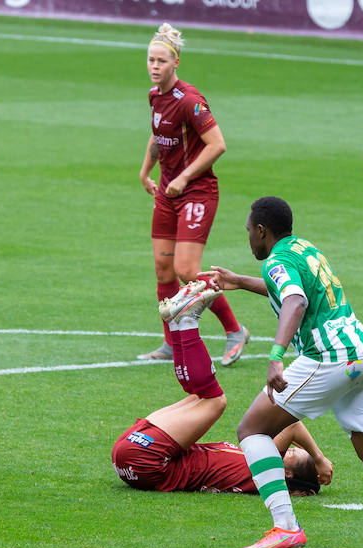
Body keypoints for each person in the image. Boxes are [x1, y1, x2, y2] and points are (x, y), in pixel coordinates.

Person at [201, 197, 363, 548]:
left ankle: (285, 526)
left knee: (252, 430)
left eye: (248, 232)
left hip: (330, 358)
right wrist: (239, 281)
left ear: (261, 231)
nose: (248, 239)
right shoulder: (303, 249)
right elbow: (293, 287)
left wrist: (275, 357)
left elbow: (296, 301)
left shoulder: (276, 260)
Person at [113, 281, 334, 496]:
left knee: (215, 401)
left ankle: (187, 321)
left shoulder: (270, 470)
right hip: (134, 458)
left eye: (291, 452)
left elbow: (292, 427)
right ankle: (176, 323)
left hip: (147, 459)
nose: (286, 447)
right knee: (199, 397)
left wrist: (319, 459)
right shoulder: (257, 469)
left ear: (286, 472)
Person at [137, 23, 249, 366]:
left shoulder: (190, 102)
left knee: (187, 270)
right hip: (168, 193)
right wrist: (145, 172)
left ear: (176, 64)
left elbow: (218, 145)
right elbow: (158, 137)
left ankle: (235, 330)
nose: (154, 66)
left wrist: (184, 177)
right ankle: (171, 342)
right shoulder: (155, 97)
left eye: (161, 61)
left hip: (197, 193)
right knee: (163, 270)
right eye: (150, 60)